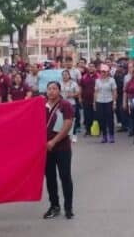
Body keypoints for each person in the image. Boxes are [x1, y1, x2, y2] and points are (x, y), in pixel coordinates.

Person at [43, 81, 75, 220]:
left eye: (54, 89)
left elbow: (67, 125)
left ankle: (68, 208)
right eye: (49, 89)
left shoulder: (65, 105)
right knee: (50, 178)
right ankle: (54, 206)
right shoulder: (41, 105)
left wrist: (54, 141)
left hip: (62, 148)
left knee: (65, 177)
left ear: (59, 91)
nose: (51, 91)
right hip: (46, 149)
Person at [94, 64, 117, 143]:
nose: (103, 73)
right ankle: (104, 135)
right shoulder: (97, 80)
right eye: (101, 71)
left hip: (109, 101)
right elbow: (96, 92)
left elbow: (114, 91)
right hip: (99, 101)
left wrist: (114, 102)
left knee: (110, 119)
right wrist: (94, 102)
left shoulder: (111, 80)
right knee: (101, 119)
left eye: (104, 72)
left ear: (107, 72)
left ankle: (111, 135)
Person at [60, 70, 81, 143]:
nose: (65, 76)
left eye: (66, 75)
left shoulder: (73, 83)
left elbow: (78, 92)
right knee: (62, 120)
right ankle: (64, 135)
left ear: (69, 76)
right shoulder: (59, 83)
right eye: (63, 75)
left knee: (71, 120)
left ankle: (74, 135)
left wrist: (72, 95)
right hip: (62, 103)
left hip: (71, 103)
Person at [79, 64, 97, 137]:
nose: (91, 68)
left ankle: (96, 130)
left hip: (96, 100)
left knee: (95, 115)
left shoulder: (98, 76)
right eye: (90, 67)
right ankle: (88, 130)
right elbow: (80, 87)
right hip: (86, 99)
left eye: (92, 66)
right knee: (87, 115)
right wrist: (80, 97)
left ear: (95, 68)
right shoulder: (84, 77)